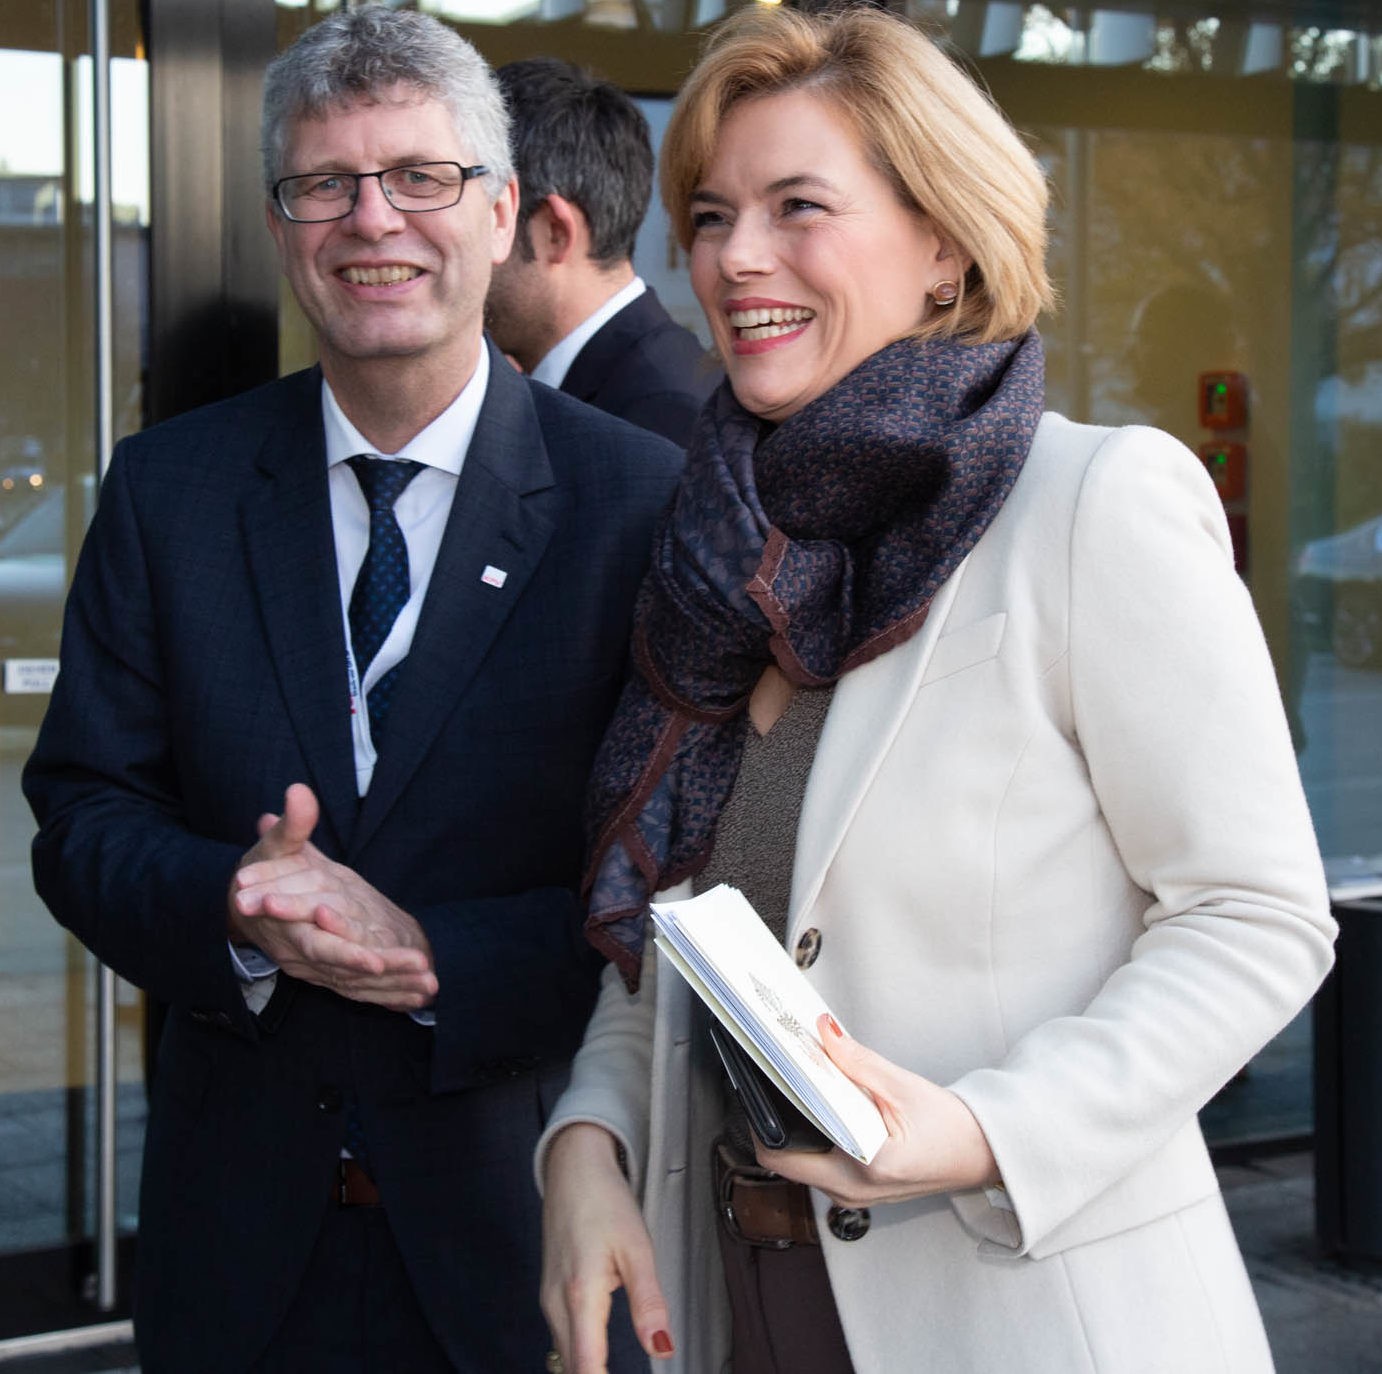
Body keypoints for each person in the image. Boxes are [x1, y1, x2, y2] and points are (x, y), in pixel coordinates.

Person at [535, 9, 1336, 1373]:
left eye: (797, 207)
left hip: (1018, 1310)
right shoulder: (717, 548)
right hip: (737, 1299)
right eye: (712, 216)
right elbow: (679, 924)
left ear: (944, 244)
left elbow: (1253, 917)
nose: (734, 257)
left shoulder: (1089, 500)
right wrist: (589, 1140)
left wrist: (981, 1131)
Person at [23, 7, 680, 1373]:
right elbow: (83, 812)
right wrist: (235, 901)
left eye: (420, 177)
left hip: (526, 1250)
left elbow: (679, 872)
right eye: (325, 183)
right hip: (238, 1261)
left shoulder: (639, 501)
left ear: (500, 212)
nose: (372, 219)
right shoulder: (169, 491)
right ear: (282, 226)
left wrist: (434, 955)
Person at [486, 57, 716, 446]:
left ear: (555, 232)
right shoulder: (641, 380)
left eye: (491, 221)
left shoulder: (659, 413)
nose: (460, 252)